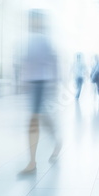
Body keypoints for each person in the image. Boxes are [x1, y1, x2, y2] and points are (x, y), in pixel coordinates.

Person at [20, 10, 62, 173]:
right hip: (32, 85)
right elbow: (24, 62)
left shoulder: (45, 40)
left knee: (34, 120)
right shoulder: (28, 40)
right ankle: (57, 141)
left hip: (42, 84)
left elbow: (54, 61)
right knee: (41, 120)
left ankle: (32, 162)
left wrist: (55, 83)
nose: (32, 23)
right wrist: (22, 81)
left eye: (35, 20)